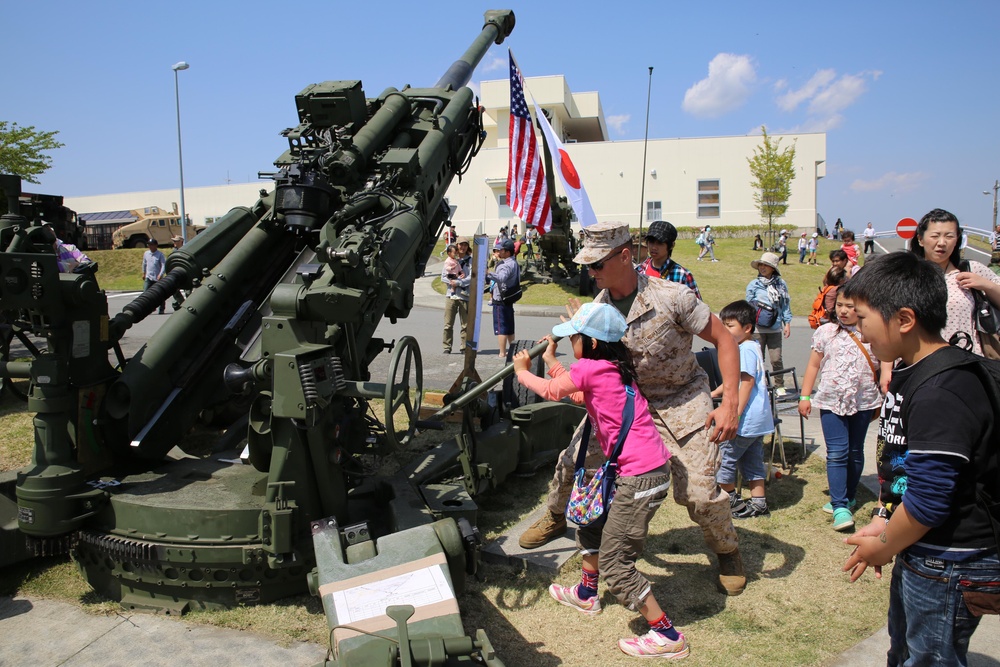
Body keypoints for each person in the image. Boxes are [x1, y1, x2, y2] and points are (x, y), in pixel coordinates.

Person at [518, 221, 747, 597]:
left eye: (597, 264)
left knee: (702, 494)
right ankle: (558, 516)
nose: (590, 273)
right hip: (625, 405)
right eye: (587, 266)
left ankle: (727, 550)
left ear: (624, 256)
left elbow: (724, 339)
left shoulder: (673, 297)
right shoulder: (597, 309)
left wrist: (730, 403)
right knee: (573, 461)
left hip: (681, 401)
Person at [842, 252, 999, 666]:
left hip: (949, 557)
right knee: (907, 651)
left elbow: (929, 502)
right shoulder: (919, 371)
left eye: (862, 318)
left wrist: (882, 545)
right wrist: (883, 515)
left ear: (905, 319)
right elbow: (903, 466)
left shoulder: (941, 392)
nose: (860, 330)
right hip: (924, 548)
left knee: (929, 659)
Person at [513, 303, 687, 659]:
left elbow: (552, 391)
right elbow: (579, 394)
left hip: (641, 478)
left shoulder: (592, 367)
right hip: (638, 472)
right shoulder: (611, 366)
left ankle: (666, 634)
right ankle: (587, 594)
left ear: (591, 343)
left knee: (615, 562)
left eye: (575, 338)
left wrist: (522, 371)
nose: (571, 342)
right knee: (591, 525)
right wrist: (550, 361)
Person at [798, 290, 889, 531]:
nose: (843, 310)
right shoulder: (825, 331)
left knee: (855, 451)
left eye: (850, 306)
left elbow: (887, 357)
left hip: (863, 401)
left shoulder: (873, 332)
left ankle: (848, 496)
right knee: (837, 452)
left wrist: (886, 377)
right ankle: (839, 505)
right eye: (840, 305)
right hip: (830, 401)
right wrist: (805, 395)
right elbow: (813, 364)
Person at [711, 300, 774, 519]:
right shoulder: (753, 346)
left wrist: (734, 413)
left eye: (730, 326)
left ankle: (732, 503)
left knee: (725, 459)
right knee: (752, 461)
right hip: (759, 421)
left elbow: (745, 384)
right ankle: (759, 503)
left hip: (745, 420)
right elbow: (734, 380)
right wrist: (714, 393)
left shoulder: (744, 350)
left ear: (746, 328)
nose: (725, 330)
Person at [909, 208, 1000, 357]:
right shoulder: (906, 276)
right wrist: (887, 368)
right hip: (920, 363)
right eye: (935, 236)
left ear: (957, 239)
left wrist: (986, 285)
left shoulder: (972, 270)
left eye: (949, 236)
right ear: (920, 239)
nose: (942, 243)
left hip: (967, 363)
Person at [746, 252, 792, 394]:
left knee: (776, 359)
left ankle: (779, 386)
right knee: (759, 359)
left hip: (775, 327)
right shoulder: (754, 284)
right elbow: (748, 305)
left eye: (766, 265)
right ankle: (761, 385)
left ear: (773, 268)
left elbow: (785, 305)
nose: (763, 267)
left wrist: (787, 323)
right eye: (761, 264)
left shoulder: (781, 284)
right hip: (758, 328)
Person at [638, 220, 701, 299]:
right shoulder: (639, 271)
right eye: (651, 242)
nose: (654, 247)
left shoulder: (682, 275)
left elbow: (698, 308)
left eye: (660, 243)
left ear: (671, 245)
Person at [487, 239, 519, 358]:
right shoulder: (514, 262)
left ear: (507, 252)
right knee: (510, 327)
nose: (499, 251)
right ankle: (512, 350)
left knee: (501, 327)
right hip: (509, 298)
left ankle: (502, 352)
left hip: (500, 298)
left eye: (501, 249)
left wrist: (488, 274)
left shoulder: (506, 264)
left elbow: (501, 278)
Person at [441, 243, 469, 354]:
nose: (462, 248)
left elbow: (471, 277)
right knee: (448, 324)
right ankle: (447, 347)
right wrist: (453, 282)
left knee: (465, 324)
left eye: (465, 246)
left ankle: (464, 347)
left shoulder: (469, 261)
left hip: (464, 295)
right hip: (450, 296)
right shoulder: (448, 261)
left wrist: (459, 282)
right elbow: (443, 277)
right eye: (460, 246)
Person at [141, 238, 167, 314]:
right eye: (149, 245)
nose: (150, 246)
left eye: (152, 245)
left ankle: (161, 308)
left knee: (159, 294)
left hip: (157, 277)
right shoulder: (146, 253)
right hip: (149, 277)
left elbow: (163, 265)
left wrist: (160, 274)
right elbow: (144, 263)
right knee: (146, 293)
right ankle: (149, 308)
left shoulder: (160, 255)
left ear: (156, 245)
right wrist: (144, 273)